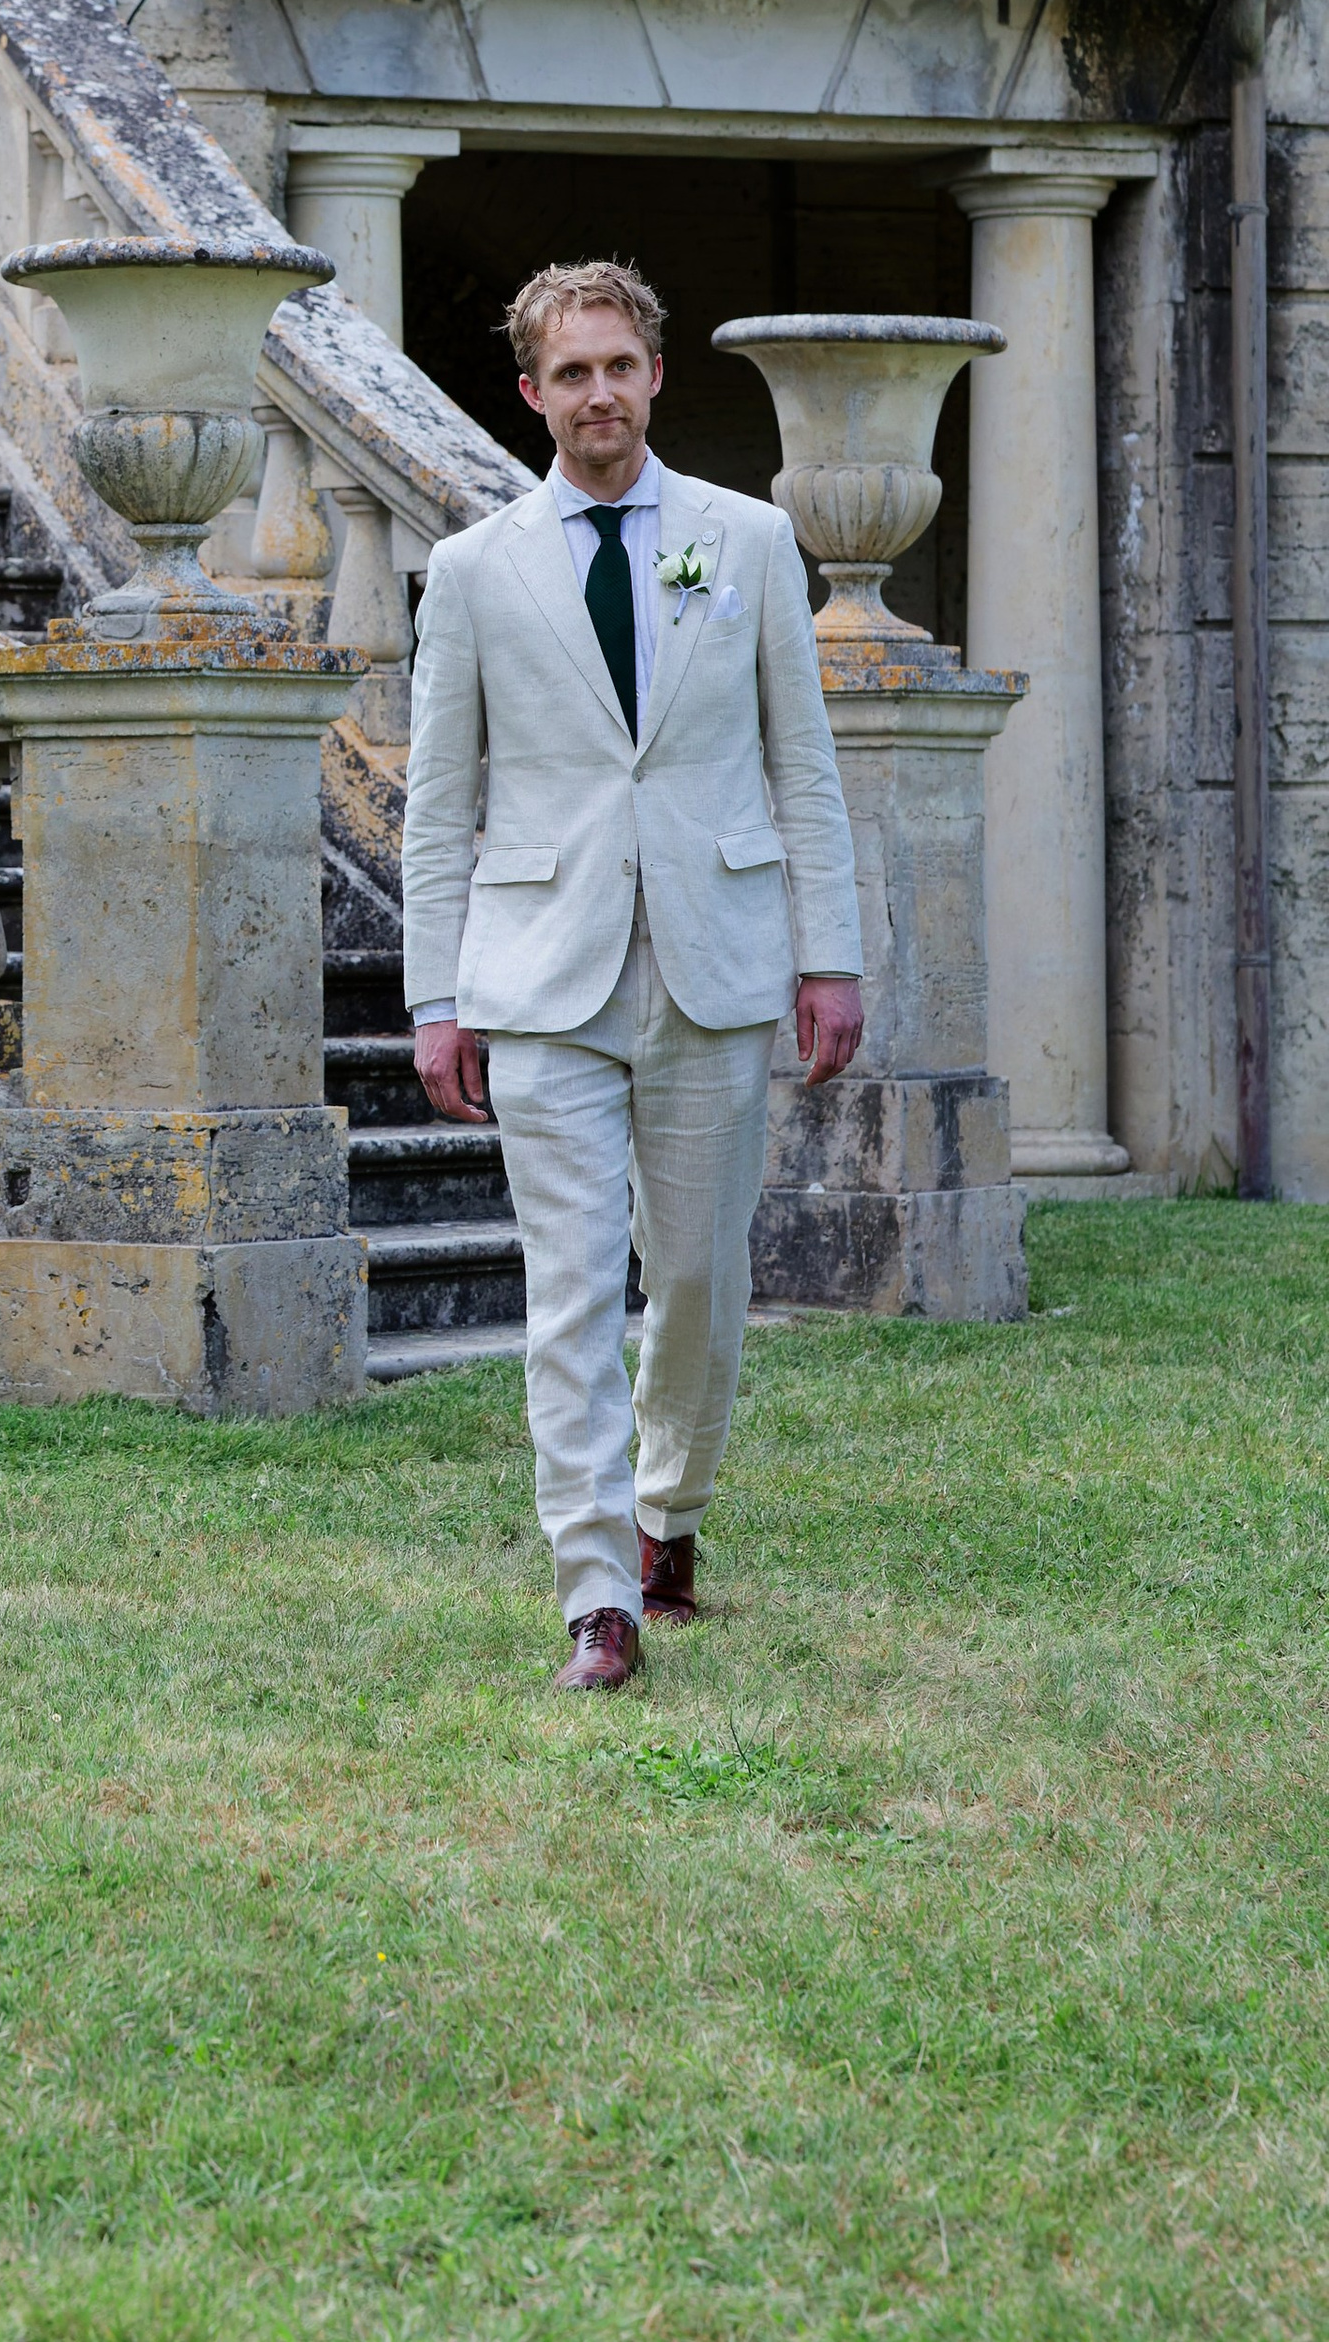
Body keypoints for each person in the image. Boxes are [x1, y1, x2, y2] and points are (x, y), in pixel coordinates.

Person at [400, 259, 865, 1693]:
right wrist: (437, 993)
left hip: (717, 965)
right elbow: (437, 800)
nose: (598, 392)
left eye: (620, 365)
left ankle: (670, 1517)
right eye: (571, 371)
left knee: (707, 1281)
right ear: (531, 393)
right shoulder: (476, 571)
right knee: (571, 1289)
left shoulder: (750, 543)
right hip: (541, 975)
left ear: (654, 376)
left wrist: (828, 953)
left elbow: (803, 764)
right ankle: (595, 1591)